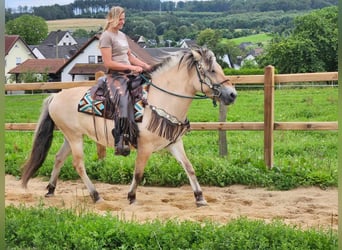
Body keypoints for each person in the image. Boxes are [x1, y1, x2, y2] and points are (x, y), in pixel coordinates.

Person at [98, 6, 151, 156]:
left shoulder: (122, 35)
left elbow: (131, 57)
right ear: (112, 19)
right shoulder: (106, 36)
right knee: (122, 98)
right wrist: (131, 67)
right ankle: (120, 139)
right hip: (115, 76)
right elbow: (108, 63)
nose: (123, 22)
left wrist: (146, 66)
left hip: (128, 72)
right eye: (120, 19)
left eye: (124, 19)